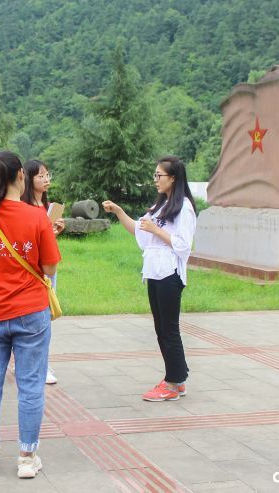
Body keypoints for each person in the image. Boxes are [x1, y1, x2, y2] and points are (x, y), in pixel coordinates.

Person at [0, 150, 61, 479]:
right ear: (20, 176)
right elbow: (48, 266)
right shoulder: (36, 217)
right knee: (31, 385)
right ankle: (27, 458)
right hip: (31, 312)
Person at [102, 156, 197, 402]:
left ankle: (173, 382)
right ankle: (177, 379)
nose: (155, 180)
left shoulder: (183, 207)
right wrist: (119, 212)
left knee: (169, 329)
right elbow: (139, 231)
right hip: (154, 272)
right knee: (161, 328)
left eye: (159, 175)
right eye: (155, 175)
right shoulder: (160, 207)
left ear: (173, 177)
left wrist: (157, 231)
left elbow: (183, 244)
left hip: (169, 273)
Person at [21, 159, 65, 385]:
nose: (46, 180)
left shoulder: (45, 208)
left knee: (45, 317)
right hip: (35, 270)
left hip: (49, 266)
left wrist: (54, 231)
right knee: (40, 319)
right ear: (28, 179)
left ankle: (37, 363)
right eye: (41, 176)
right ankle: (39, 366)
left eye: (48, 175)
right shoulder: (26, 207)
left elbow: (42, 241)